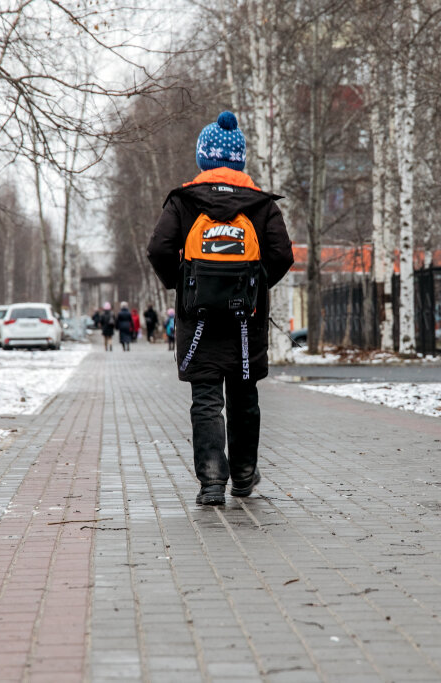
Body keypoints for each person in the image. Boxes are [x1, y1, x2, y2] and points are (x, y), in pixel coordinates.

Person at [147, 110, 294, 506]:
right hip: (247, 322)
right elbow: (282, 255)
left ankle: (212, 481)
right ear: (240, 161)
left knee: (206, 399)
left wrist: (184, 285)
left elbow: (158, 249)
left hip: (199, 322)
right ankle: (244, 476)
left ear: (203, 159)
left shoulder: (185, 201)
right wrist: (255, 290)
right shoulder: (261, 205)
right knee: (245, 396)